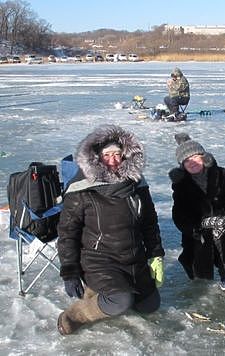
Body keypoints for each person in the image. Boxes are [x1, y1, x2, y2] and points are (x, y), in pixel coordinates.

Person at [56, 124, 165, 335]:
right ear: (96, 157)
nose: (113, 160)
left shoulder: (137, 185)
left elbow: (149, 223)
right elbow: (67, 232)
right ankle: (74, 315)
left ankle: (100, 292)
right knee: (120, 301)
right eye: (107, 155)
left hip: (134, 258)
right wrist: (69, 271)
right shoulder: (81, 189)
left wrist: (156, 255)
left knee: (149, 306)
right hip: (99, 260)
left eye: (118, 154)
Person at [168, 133, 225, 291]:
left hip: (224, 226)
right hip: (199, 228)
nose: (192, 163)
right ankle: (198, 275)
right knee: (195, 263)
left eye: (195, 157)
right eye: (186, 161)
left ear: (204, 157)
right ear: (182, 165)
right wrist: (193, 228)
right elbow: (178, 212)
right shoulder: (181, 185)